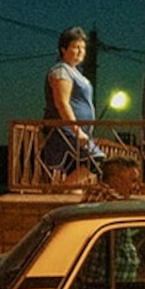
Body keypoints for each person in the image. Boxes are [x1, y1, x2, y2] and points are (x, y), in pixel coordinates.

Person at [40, 28, 98, 188]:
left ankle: (66, 196)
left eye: (83, 47)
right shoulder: (61, 71)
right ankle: (61, 190)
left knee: (76, 172)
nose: (80, 51)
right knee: (97, 160)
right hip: (65, 130)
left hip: (78, 132)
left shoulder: (76, 73)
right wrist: (76, 130)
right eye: (75, 47)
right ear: (63, 49)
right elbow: (62, 103)